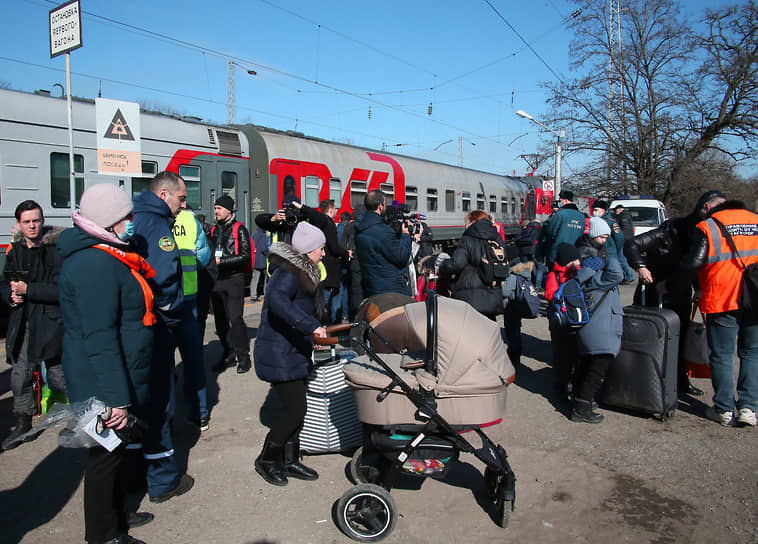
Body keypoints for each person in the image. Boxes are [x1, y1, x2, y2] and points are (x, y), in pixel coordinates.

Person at [57, 184, 155, 544]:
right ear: (110, 221)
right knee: (104, 460)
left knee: (114, 455)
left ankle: (118, 517)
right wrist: (116, 398)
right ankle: (103, 535)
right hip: (101, 383)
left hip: (112, 377)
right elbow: (99, 338)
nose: (132, 222)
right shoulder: (94, 264)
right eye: (126, 216)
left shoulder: (105, 255)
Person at [131, 171, 195, 503]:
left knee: (139, 400)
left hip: (134, 327)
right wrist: (171, 317)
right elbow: (166, 275)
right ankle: (163, 481)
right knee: (160, 401)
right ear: (164, 193)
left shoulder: (133, 216)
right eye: (181, 198)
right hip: (154, 324)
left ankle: (134, 476)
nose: (183, 205)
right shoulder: (157, 225)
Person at [253, 221, 327, 486]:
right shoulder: (288, 272)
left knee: (299, 408)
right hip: (279, 351)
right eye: (320, 248)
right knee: (296, 409)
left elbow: (305, 308)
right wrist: (311, 327)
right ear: (308, 250)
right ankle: (267, 459)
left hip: (293, 348)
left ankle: (290, 459)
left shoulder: (303, 270)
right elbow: (277, 301)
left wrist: (315, 332)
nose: (323, 253)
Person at [679, 190, 758, 427]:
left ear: (710, 208)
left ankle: (723, 409)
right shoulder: (755, 221)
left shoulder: (708, 226)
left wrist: (671, 282)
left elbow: (692, 263)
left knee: (722, 355)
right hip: (755, 297)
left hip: (722, 298)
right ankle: (748, 409)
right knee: (751, 353)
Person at [0, 200, 66, 451]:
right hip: (24, 320)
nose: (32, 226)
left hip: (51, 321)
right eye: (26, 222)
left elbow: (62, 289)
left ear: (42, 220)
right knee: (20, 374)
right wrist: (11, 295)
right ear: (19, 223)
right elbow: (5, 281)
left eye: (36, 221)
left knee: (60, 377)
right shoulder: (15, 249)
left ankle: (90, 414)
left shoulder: (55, 249)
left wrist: (29, 290)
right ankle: (23, 422)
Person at [624, 203, 706, 397]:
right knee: (651, 336)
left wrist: (699, 289)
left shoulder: (697, 239)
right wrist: (641, 267)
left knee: (682, 336)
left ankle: (680, 379)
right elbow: (631, 245)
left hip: (680, 291)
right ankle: (647, 377)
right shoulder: (665, 233)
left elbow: (692, 265)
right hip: (654, 290)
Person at [570, 253, 624, 423]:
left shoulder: (585, 278)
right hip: (602, 334)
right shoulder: (600, 278)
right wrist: (612, 256)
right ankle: (581, 409)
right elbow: (618, 274)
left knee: (586, 368)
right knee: (595, 373)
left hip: (591, 332)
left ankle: (580, 402)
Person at [171, 208, 211, 430]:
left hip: (160, 300)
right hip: (188, 294)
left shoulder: (145, 219)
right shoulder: (190, 219)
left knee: (161, 361)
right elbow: (203, 256)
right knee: (193, 358)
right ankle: (200, 412)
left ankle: (164, 418)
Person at [209, 195, 254, 373]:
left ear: (228, 210)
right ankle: (228, 354)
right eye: (215, 208)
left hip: (234, 279)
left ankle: (244, 356)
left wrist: (222, 261)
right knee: (220, 321)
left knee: (235, 319)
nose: (216, 211)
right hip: (217, 280)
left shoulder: (239, 229)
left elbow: (245, 256)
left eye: (219, 208)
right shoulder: (213, 230)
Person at [437, 210, 507, 320]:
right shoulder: (497, 238)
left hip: (471, 296)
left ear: (472, 222)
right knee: (488, 331)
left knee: (470, 332)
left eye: (466, 222)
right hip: (493, 294)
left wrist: (442, 265)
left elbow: (456, 264)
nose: (465, 225)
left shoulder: (468, 239)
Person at [295, 199, 351, 323]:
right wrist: (346, 253)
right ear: (331, 209)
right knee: (326, 299)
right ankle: (327, 326)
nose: (336, 211)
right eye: (335, 209)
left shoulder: (319, 224)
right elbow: (334, 247)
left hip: (325, 267)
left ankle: (328, 324)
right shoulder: (328, 223)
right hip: (330, 268)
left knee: (329, 297)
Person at [354, 190, 412, 297]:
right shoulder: (383, 232)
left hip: (372, 287)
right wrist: (406, 235)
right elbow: (401, 257)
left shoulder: (360, 228)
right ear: (380, 206)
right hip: (391, 290)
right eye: (385, 203)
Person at [545, 243, 582, 400]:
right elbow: (550, 295)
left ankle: (572, 383)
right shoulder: (554, 275)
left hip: (576, 318)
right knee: (561, 356)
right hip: (560, 321)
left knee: (576, 353)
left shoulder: (578, 273)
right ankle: (560, 387)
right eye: (573, 259)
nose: (577, 262)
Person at [539, 189, 586, 268]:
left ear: (566, 200)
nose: (559, 203)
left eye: (561, 200)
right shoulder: (581, 216)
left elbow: (550, 232)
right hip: (575, 254)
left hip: (557, 254)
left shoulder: (560, 214)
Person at [593, 200, 634, 283]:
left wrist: (616, 249)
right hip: (605, 251)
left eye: (596, 210)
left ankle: (628, 276)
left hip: (611, 250)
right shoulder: (599, 220)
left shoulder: (610, 221)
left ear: (602, 210)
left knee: (618, 264)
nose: (594, 212)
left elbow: (619, 237)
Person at [251, 226, 269, 302]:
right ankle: (266, 294)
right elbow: (264, 249)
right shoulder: (264, 236)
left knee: (255, 278)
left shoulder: (254, 235)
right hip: (263, 261)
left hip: (255, 260)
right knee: (266, 279)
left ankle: (253, 295)